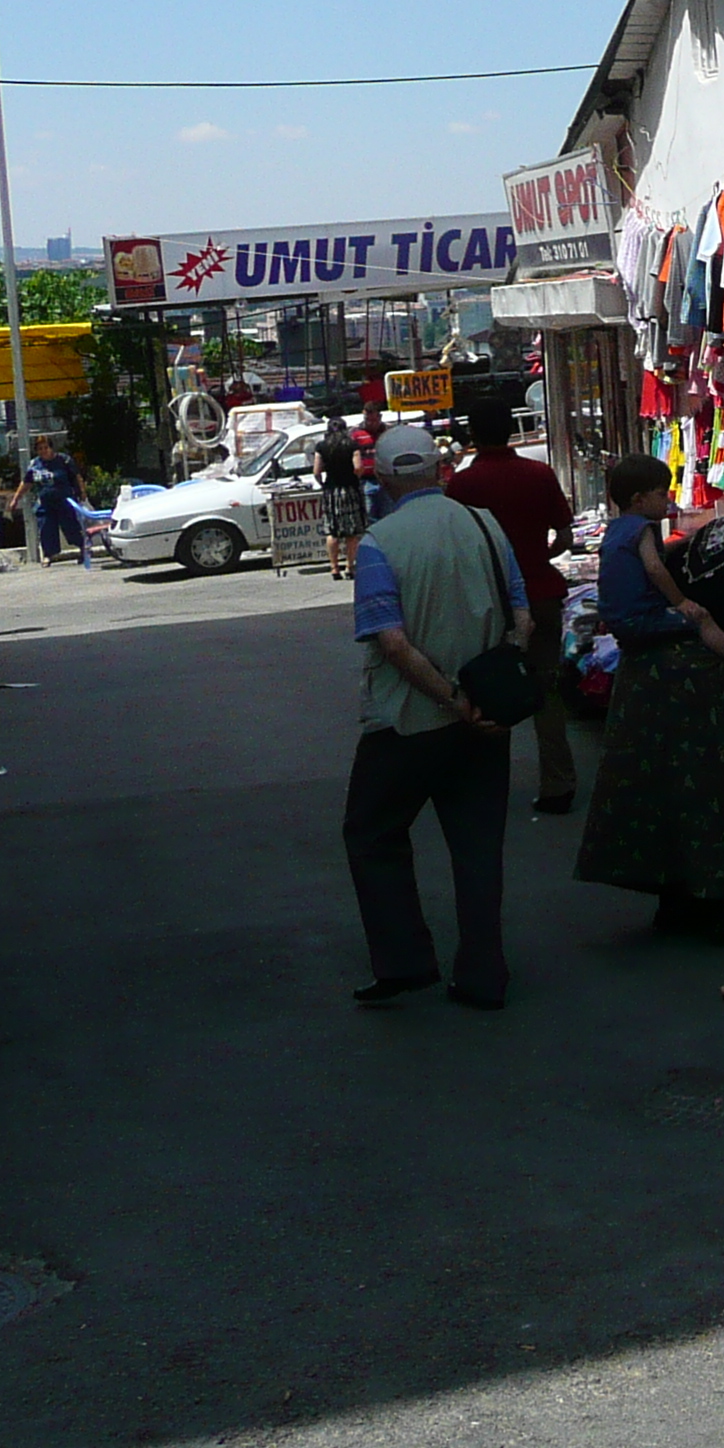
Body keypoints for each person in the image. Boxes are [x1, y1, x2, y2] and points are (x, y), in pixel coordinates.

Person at [341, 422, 530, 1010]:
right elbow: (522, 618)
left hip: (408, 723)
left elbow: (392, 644)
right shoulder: (484, 524)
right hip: (485, 725)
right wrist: (486, 698)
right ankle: (483, 974)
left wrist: (451, 698)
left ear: (384, 477)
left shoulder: (378, 543)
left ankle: (404, 960)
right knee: (478, 847)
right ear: (438, 471)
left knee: (371, 833)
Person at [575, 456, 724, 941]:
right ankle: (719, 899)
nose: (670, 501)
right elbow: (664, 583)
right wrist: (687, 610)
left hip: (643, 675)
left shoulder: (624, 534)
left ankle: (676, 896)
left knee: (657, 788)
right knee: (713, 791)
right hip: (688, 675)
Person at [446, 406, 579, 813]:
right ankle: (558, 781)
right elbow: (566, 536)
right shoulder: (539, 475)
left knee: (483, 689)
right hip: (540, 592)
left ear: (473, 435)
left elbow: (454, 547)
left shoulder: (463, 485)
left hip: (486, 600)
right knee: (545, 690)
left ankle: (485, 784)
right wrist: (537, 557)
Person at [16, 435, 91, 568]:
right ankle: (48, 555)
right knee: (46, 528)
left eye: (46, 448)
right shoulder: (35, 464)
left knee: (71, 528)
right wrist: (16, 499)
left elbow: (76, 476)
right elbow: (27, 482)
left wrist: (82, 492)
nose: (43, 451)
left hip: (64, 501)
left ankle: (83, 549)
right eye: (40, 449)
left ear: (51, 448)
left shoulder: (63, 460)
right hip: (45, 503)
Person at [314, 415, 367, 580]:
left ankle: (334, 568)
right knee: (351, 532)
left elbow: (316, 471)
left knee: (333, 531)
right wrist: (355, 478)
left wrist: (323, 483)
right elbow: (358, 467)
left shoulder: (321, 446)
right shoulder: (352, 445)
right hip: (350, 489)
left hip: (331, 491)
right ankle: (349, 567)